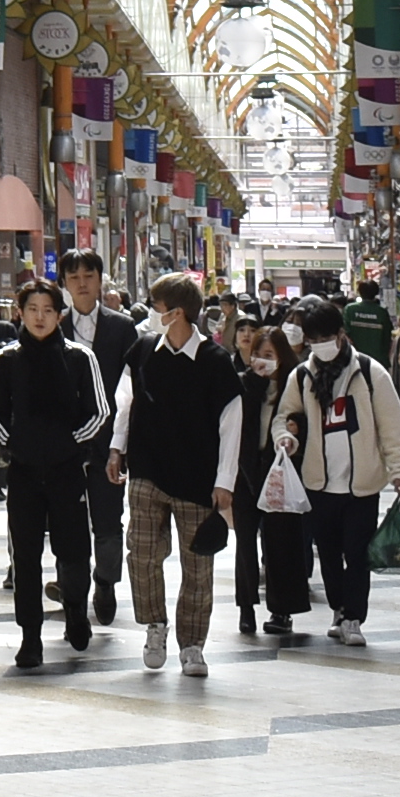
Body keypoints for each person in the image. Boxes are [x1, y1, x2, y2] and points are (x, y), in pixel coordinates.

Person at [105, 272, 242, 679]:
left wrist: (225, 481)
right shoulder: (144, 349)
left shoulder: (215, 362)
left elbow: (231, 422)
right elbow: (125, 402)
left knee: (197, 565)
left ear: (177, 313)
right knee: (143, 554)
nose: (150, 314)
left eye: (156, 307)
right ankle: (154, 626)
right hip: (146, 469)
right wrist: (117, 447)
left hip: (198, 478)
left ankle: (193, 645)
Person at [275, 294, 400, 646]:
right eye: (314, 340)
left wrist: (399, 469)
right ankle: (339, 609)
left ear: (341, 335)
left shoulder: (369, 372)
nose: (321, 346)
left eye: (327, 338)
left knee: (357, 553)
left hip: (362, 484)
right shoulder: (303, 375)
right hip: (319, 484)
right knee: (329, 553)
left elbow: (392, 426)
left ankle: (354, 616)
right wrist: (285, 438)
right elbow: (284, 415)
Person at [0, 278, 107, 671]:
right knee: (26, 555)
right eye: (32, 309)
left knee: (73, 552)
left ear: (60, 314)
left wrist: (71, 443)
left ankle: (75, 614)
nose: (40, 317)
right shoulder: (6, 359)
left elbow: (99, 411)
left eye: (48, 310)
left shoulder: (79, 357)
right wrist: (15, 443)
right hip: (23, 472)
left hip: (68, 471)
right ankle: (30, 636)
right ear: (20, 312)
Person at [55, 248, 138, 632]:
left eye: (88, 275)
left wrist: (123, 445)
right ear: (65, 284)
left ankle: (105, 582)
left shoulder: (122, 328)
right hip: (65, 444)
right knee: (66, 521)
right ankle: (73, 594)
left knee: (108, 522)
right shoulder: (53, 326)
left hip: (109, 442)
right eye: (74, 277)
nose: (82, 283)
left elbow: (132, 388)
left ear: (100, 280)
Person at [226, 317, 311, 645]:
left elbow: (301, 421)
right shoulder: (243, 384)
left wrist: (295, 430)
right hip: (244, 472)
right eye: (259, 352)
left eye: (271, 353)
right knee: (245, 544)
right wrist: (254, 384)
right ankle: (246, 606)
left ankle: (282, 611)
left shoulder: (295, 386)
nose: (264, 359)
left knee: (280, 542)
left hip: (278, 471)